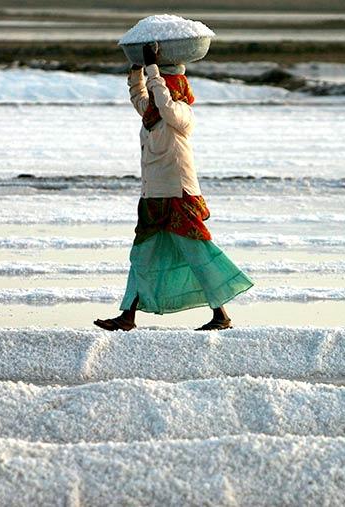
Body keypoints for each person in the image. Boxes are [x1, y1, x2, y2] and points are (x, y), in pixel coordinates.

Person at [94, 42, 254, 332]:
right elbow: (139, 97)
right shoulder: (151, 115)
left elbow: (165, 103)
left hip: (179, 193)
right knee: (142, 256)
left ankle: (221, 315)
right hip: (153, 195)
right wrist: (136, 69)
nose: (158, 91)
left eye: (163, 85)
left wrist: (153, 68)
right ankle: (127, 316)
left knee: (198, 254)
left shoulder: (181, 113)